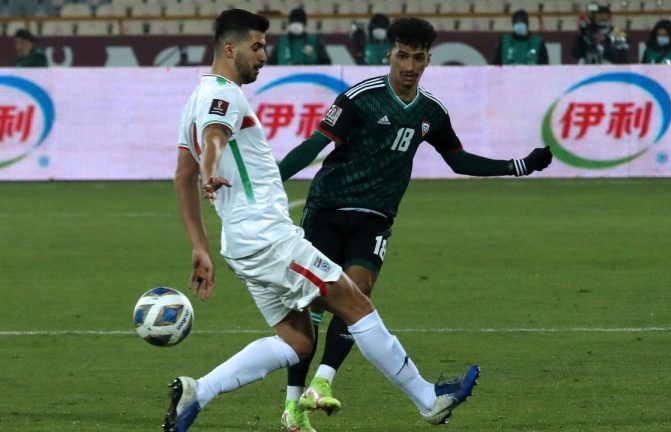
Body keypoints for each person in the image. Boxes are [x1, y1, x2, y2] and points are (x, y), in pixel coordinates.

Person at [166, 9, 479, 432]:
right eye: (256, 46)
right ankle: (429, 398)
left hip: (241, 243)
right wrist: (211, 165)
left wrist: (200, 245)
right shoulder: (224, 96)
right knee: (355, 303)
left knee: (297, 342)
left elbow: (181, 177)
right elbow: (215, 137)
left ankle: (196, 393)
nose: (263, 55)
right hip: (267, 239)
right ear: (229, 48)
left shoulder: (194, 101)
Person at [277, 16, 552, 432]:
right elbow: (317, 144)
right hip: (328, 208)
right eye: (402, 55)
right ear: (390, 54)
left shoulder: (431, 112)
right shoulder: (358, 98)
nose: (409, 65)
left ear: (428, 60)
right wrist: (268, 181)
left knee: (359, 293)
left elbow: (458, 160)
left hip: (375, 216)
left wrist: (520, 165)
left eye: (418, 57)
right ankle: (292, 407)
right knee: (312, 307)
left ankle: (323, 381)